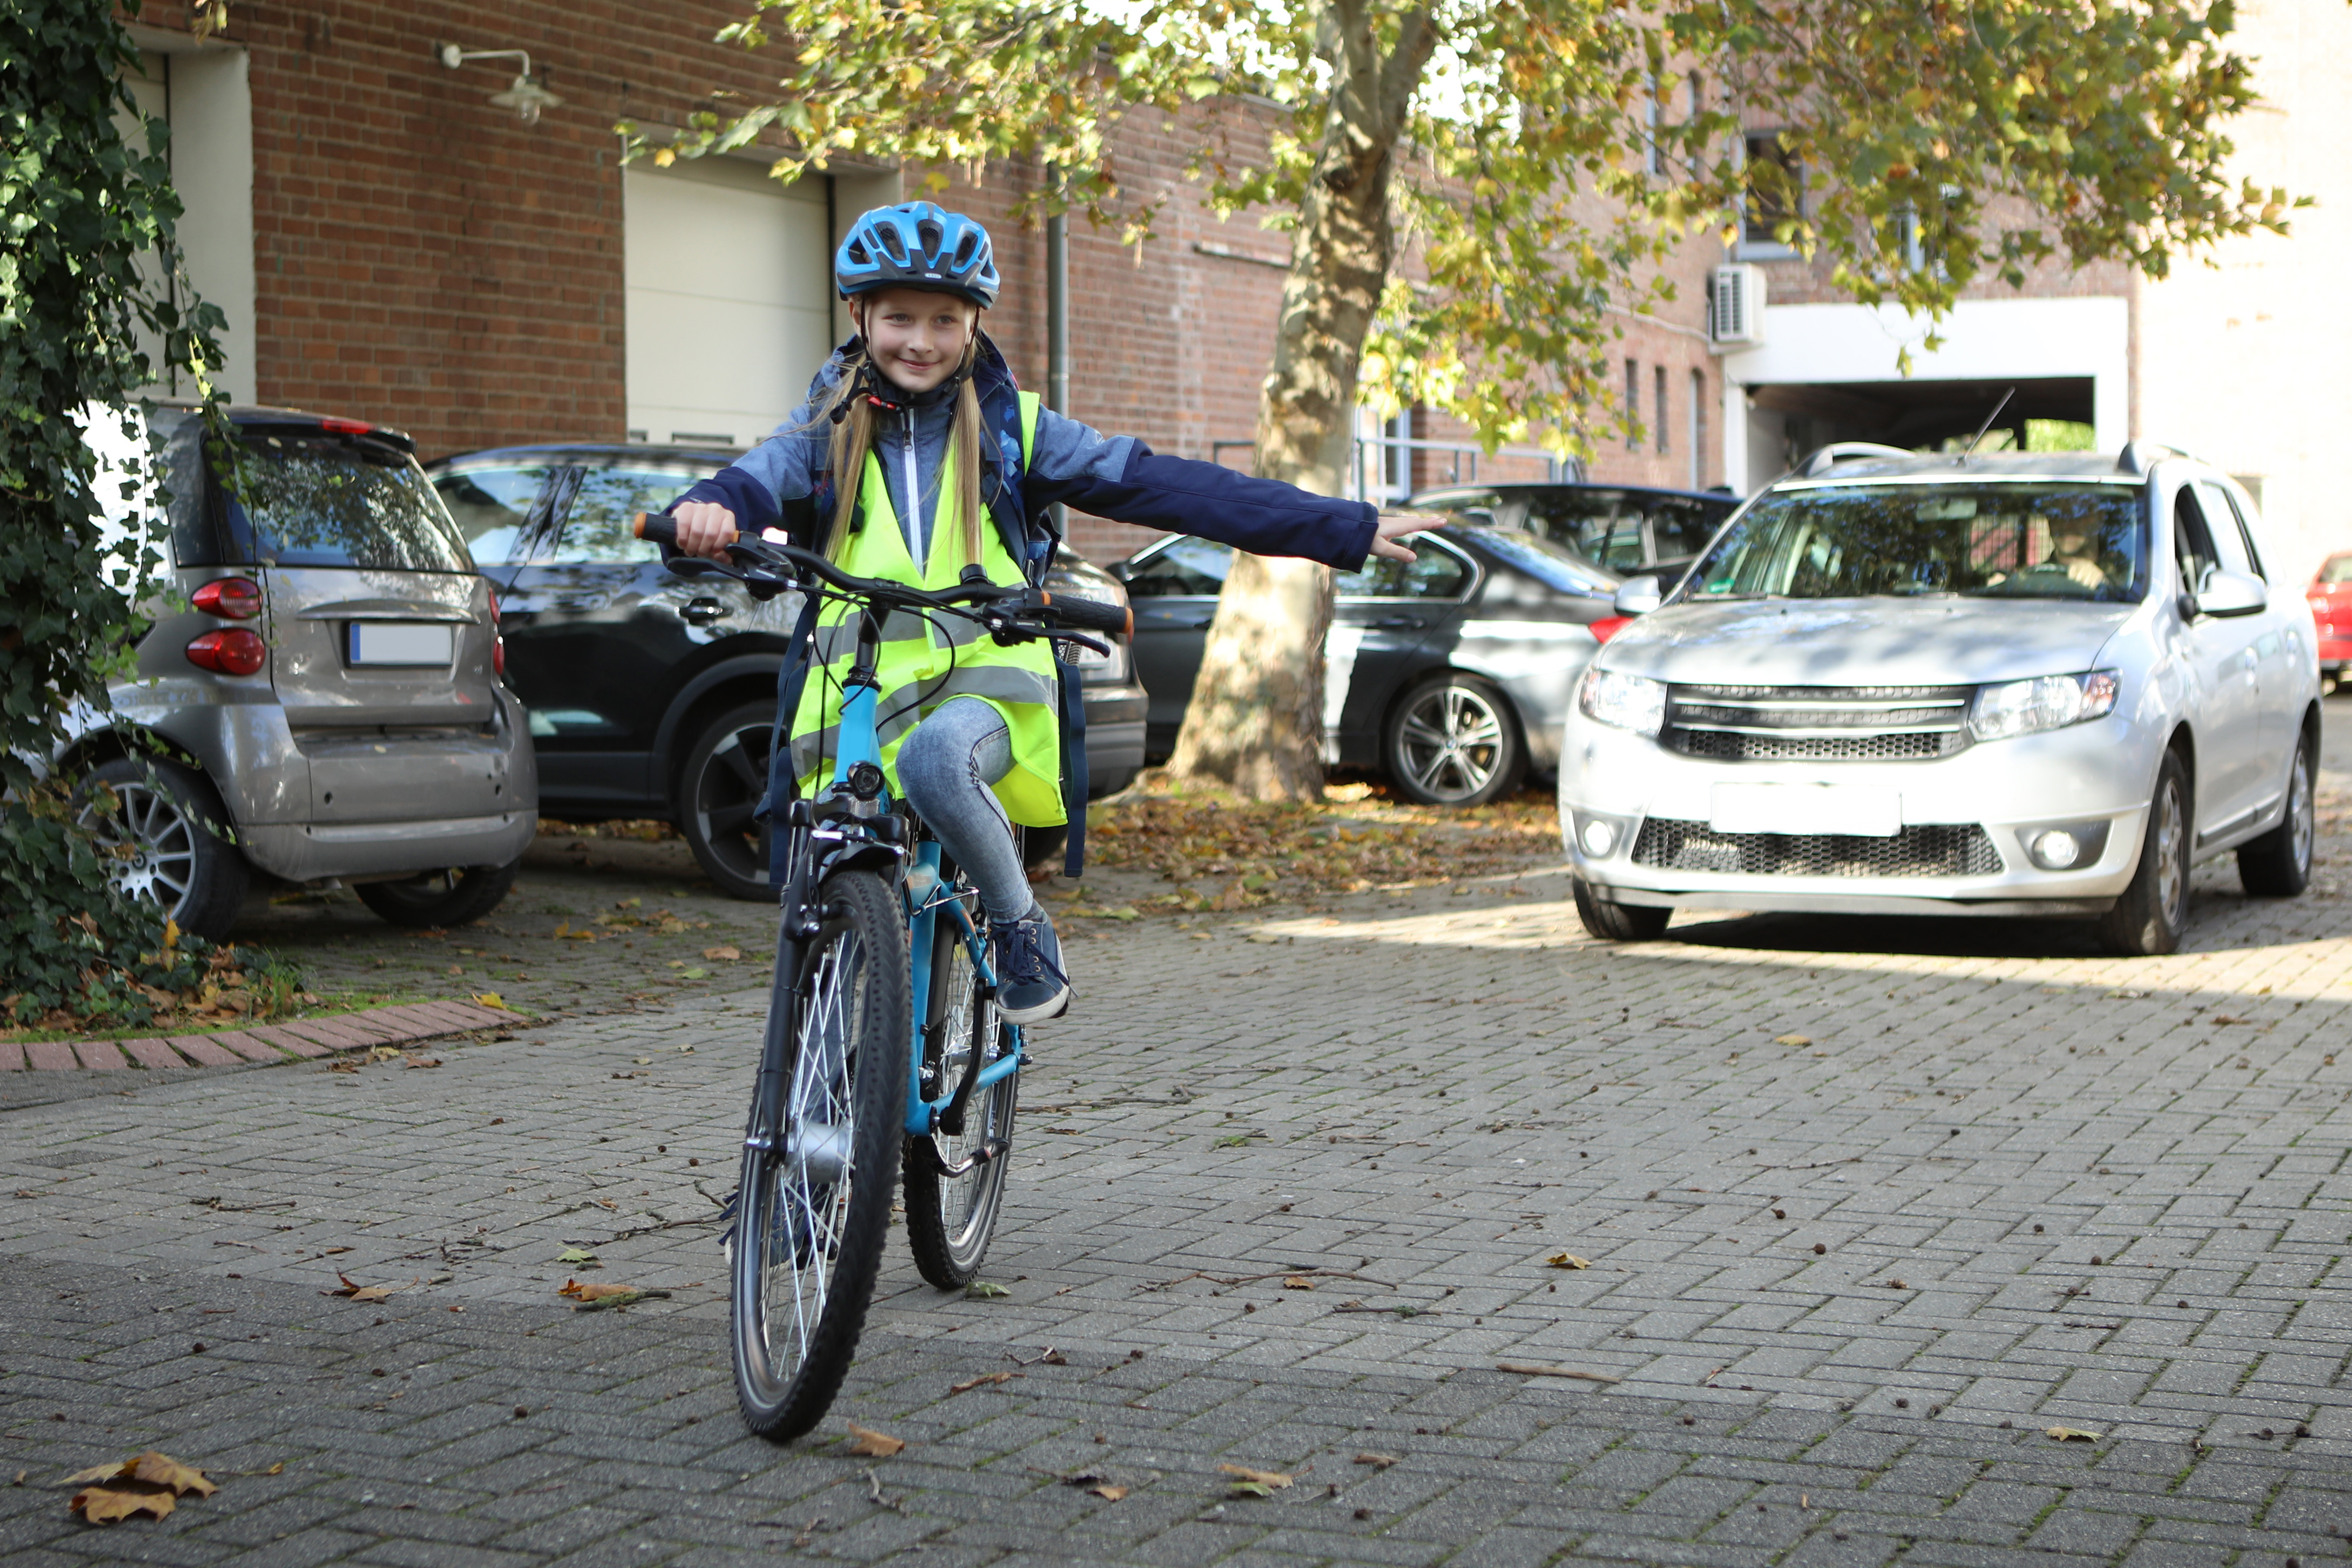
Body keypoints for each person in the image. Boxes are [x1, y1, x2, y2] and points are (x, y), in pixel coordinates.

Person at [666, 202, 1432, 1026]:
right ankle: (821, 1094)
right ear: (860, 316)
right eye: (898, 318)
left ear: (972, 326)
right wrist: (706, 511)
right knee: (827, 883)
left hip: (984, 693)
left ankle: (1016, 919)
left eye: (943, 320)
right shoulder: (824, 430)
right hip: (854, 697)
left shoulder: (1013, 431)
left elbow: (1166, 486)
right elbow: (748, 483)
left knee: (933, 761)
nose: (919, 340)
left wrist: (1340, 526)